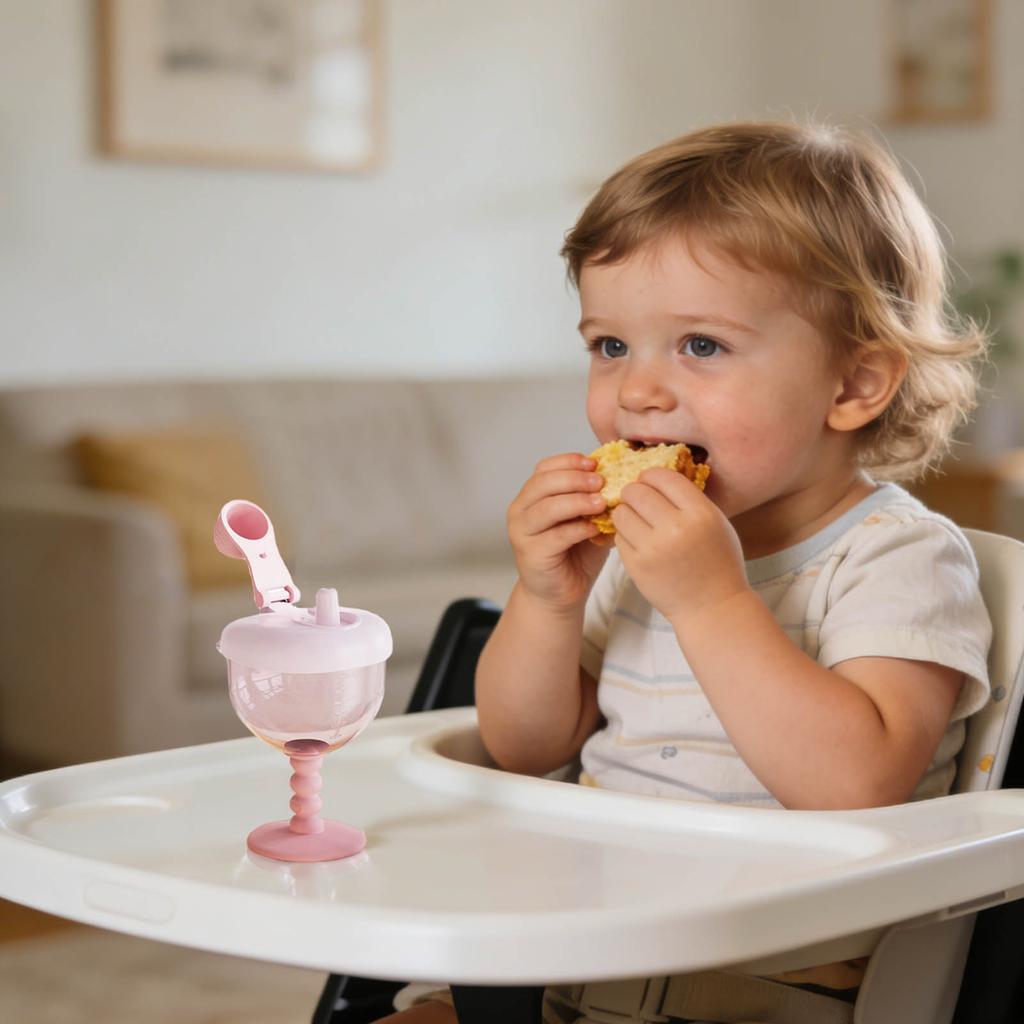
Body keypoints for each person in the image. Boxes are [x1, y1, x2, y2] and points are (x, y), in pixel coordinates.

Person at [380, 121, 992, 1024]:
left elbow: (855, 786)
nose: (636, 391)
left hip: (754, 988)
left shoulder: (898, 557)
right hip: (568, 949)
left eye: (701, 345)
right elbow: (524, 747)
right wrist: (548, 598)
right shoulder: (644, 550)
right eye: (610, 345)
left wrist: (711, 600)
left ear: (854, 385)